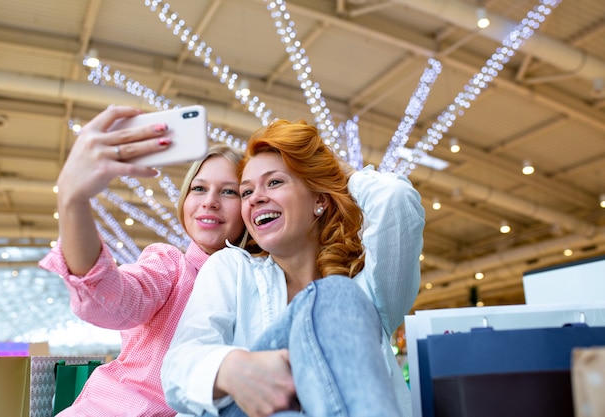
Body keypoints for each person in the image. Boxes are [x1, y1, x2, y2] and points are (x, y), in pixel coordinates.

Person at [162, 119, 425, 417]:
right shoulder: (232, 269)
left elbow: (396, 200)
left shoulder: (366, 286)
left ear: (319, 200)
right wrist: (232, 367)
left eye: (274, 182)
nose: (256, 197)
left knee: (337, 292)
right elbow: (177, 369)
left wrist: (337, 174)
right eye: (246, 192)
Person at [39, 105, 247, 416]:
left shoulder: (259, 283)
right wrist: (73, 199)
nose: (209, 201)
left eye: (228, 191)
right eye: (199, 188)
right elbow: (113, 300)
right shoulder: (168, 265)